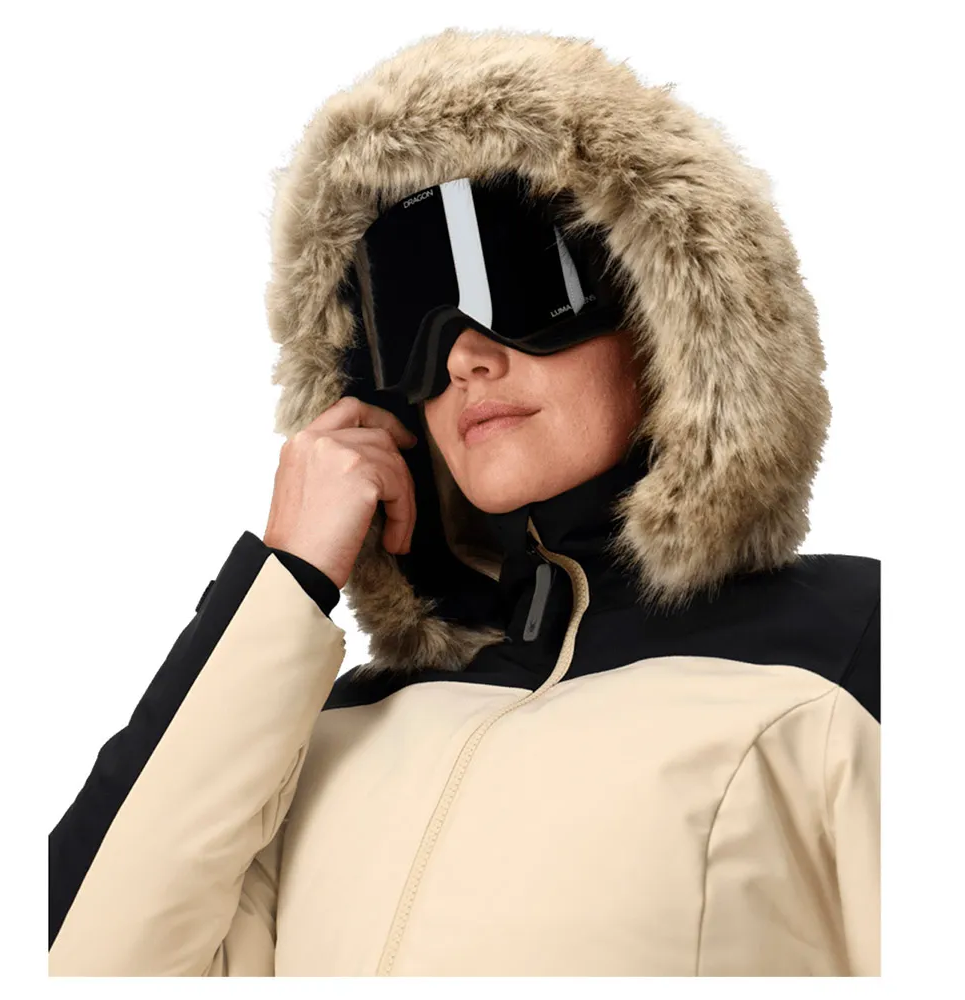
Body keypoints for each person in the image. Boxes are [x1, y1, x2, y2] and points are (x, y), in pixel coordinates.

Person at [48, 27, 880, 976]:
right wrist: (286, 578)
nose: (463, 357)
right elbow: (79, 967)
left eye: (519, 284)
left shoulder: (850, 653)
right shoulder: (322, 736)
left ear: (670, 316)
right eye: (414, 321)